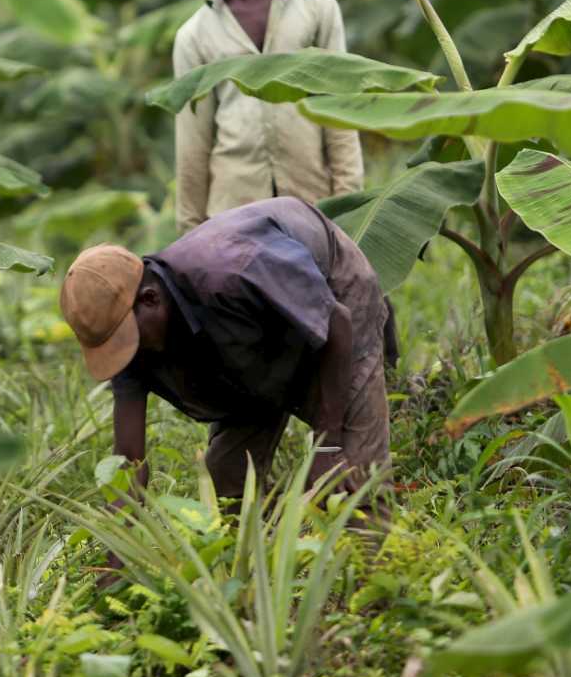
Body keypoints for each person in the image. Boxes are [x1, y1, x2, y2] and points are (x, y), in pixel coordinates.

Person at [59, 197, 393, 511]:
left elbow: (336, 323)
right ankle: (279, 554)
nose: (128, 353)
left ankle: (373, 558)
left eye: (128, 339)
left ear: (150, 300)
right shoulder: (131, 340)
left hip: (331, 287)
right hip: (248, 333)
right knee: (226, 485)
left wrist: (327, 444)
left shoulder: (233, 270)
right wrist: (118, 554)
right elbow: (130, 463)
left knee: (354, 475)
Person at [174, 0, 364, 234]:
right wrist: (191, 231)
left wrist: (348, 199)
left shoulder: (319, 9)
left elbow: (341, 110)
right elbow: (192, 141)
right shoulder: (193, 35)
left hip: (313, 204)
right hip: (232, 214)